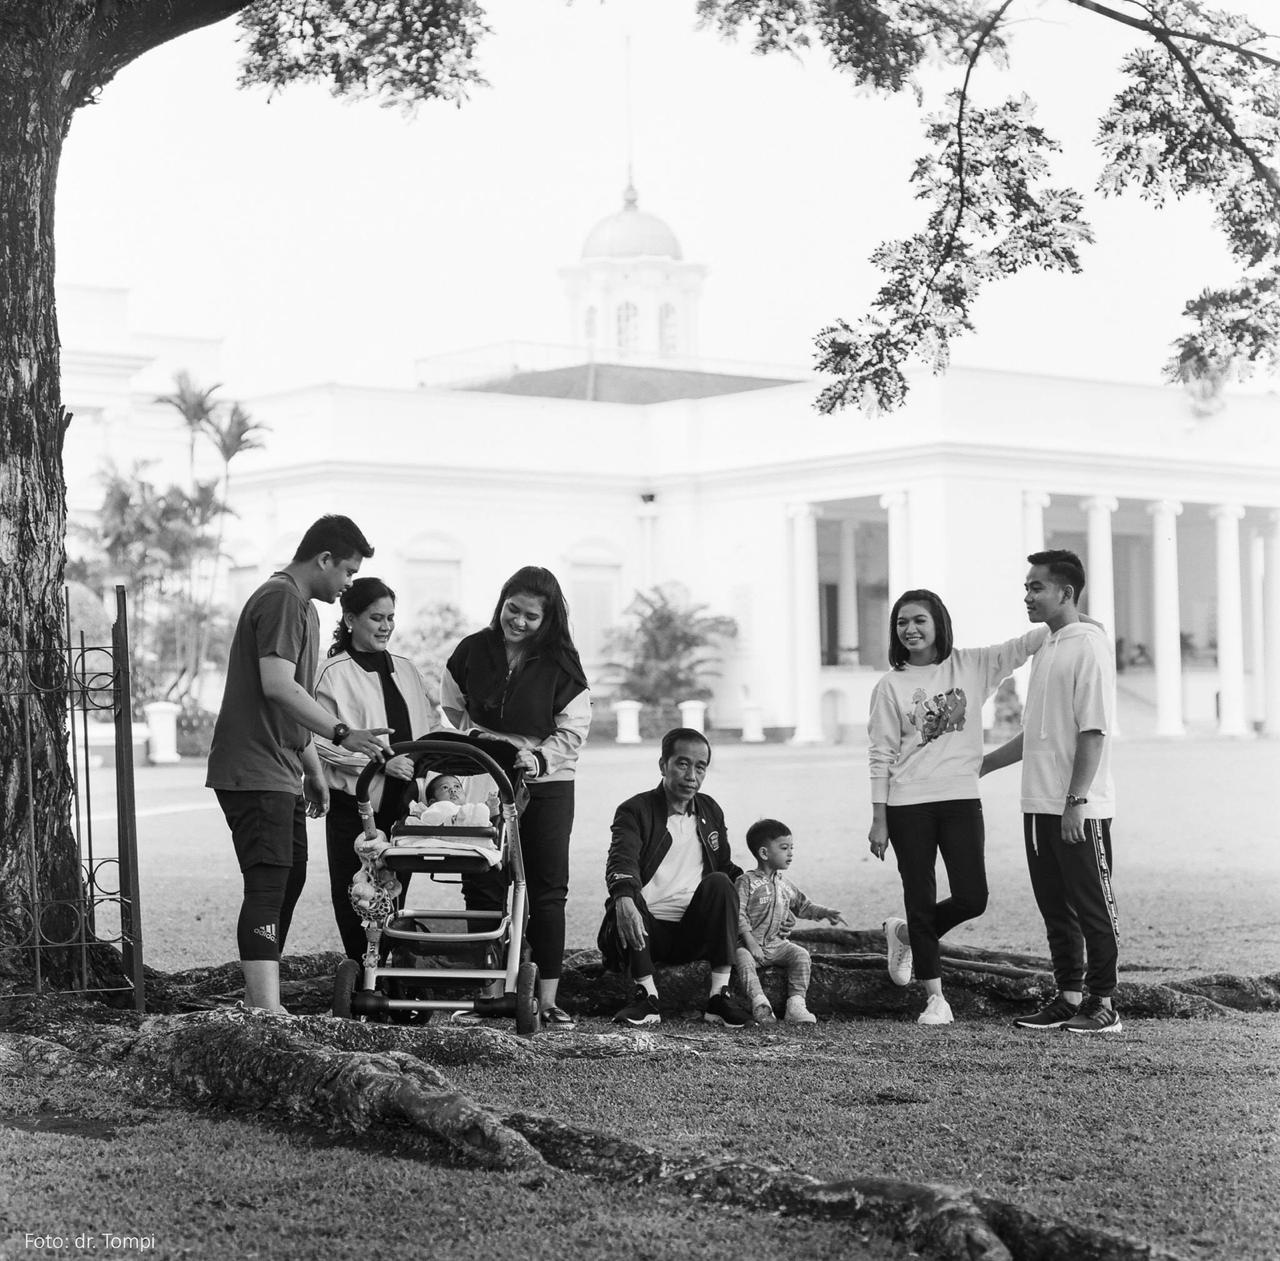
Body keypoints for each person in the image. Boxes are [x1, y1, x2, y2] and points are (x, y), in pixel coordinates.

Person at [205, 515, 390, 1014]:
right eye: (347, 570)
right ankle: (265, 1010)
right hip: (253, 767)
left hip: (281, 767)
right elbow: (277, 686)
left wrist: (312, 769)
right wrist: (342, 732)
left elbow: (294, 699)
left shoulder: (301, 607)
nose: (350, 583)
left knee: (290, 876)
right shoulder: (283, 599)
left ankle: (260, 1001)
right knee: (268, 881)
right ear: (323, 559)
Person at [867, 588, 1051, 1026]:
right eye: (901, 622)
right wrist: (878, 818)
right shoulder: (890, 685)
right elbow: (880, 753)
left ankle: (908, 933)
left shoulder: (971, 665)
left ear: (937, 624)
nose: (910, 629)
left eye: (919, 621)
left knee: (973, 897)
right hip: (908, 803)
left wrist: (1076, 620)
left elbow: (1026, 644)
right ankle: (935, 998)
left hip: (961, 799)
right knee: (920, 892)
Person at [440, 565, 591, 1029]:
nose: (519, 622)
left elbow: (573, 728)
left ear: (548, 621)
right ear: (501, 603)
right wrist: (486, 743)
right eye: (512, 609)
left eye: (531, 616)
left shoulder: (562, 663)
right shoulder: (471, 650)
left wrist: (537, 758)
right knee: (482, 881)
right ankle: (487, 993)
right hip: (487, 779)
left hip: (546, 784)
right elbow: (452, 705)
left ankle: (546, 999)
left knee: (546, 891)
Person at [981, 549, 1121, 1035]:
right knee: (1055, 908)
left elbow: (1093, 730)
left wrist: (1076, 802)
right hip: (1036, 804)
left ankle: (1103, 1005)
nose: (1027, 595)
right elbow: (1035, 734)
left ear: (1065, 592)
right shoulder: (1047, 647)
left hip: (1077, 807)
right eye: (1025, 587)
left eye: (1036, 587)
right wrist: (981, 765)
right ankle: (1068, 996)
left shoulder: (1089, 646)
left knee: (1093, 906)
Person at [314, 577, 434, 964]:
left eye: (390, 618)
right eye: (375, 618)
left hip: (404, 809)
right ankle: (362, 977)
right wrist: (380, 763)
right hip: (356, 806)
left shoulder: (407, 669)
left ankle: (393, 978)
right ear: (350, 619)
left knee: (396, 894)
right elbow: (316, 739)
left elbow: (429, 728)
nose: (385, 626)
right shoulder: (332, 672)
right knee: (356, 896)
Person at [597, 729, 752, 1029]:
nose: (691, 775)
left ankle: (719, 998)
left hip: (692, 932)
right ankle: (647, 997)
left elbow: (725, 867)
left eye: (700, 766)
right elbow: (622, 860)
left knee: (721, 882)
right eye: (682, 764)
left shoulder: (709, 809)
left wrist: (759, 887)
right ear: (663, 765)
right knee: (627, 896)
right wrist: (624, 898)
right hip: (646, 930)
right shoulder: (635, 810)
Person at [734, 818, 845, 1025]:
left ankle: (796, 1005)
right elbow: (737, 913)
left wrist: (826, 912)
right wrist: (750, 942)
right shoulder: (746, 882)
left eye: (792, 847)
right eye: (784, 848)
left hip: (777, 945)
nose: (791, 853)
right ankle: (760, 1003)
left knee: (801, 955)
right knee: (741, 957)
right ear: (764, 853)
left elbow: (803, 906)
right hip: (749, 945)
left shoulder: (785, 884)